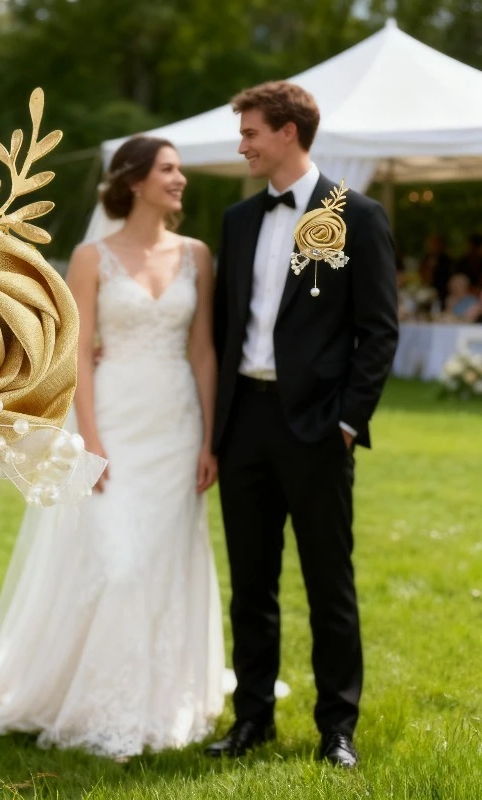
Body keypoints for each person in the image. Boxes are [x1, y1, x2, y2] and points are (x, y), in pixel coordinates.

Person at [0, 136, 228, 759]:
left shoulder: (197, 255)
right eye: (169, 170)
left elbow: (203, 350)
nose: (180, 180)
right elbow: (77, 354)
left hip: (177, 425)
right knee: (116, 559)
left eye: (180, 171)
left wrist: (210, 438)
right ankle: (92, 698)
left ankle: (156, 700)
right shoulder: (90, 257)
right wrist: (90, 436)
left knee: (162, 558)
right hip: (111, 416)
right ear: (134, 181)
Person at [207, 81, 398, 768]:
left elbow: (378, 332)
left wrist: (348, 422)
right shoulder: (236, 221)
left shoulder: (357, 215)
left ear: (288, 132)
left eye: (252, 132)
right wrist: (217, 430)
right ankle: (251, 718)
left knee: (329, 584)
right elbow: (229, 329)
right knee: (251, 584)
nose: (242, 144)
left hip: (318, 427)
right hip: (245, 424)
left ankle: (336, 730)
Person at [418, 235, 453, 309]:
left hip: (442, 290)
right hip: (428, 288)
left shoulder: (446, 259)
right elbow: (421, 272)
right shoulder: (426, 258)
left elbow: (448, 275)